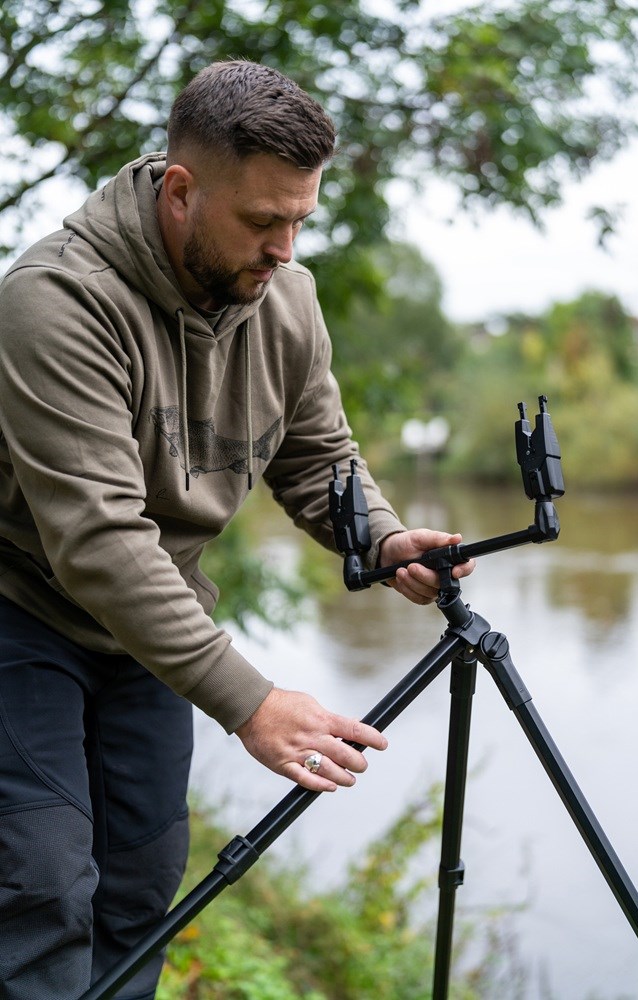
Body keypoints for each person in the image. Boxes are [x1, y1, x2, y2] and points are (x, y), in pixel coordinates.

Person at [0, 60, 473, 1000]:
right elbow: (100, 543)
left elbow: (319, 453)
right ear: (181, 192)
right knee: (40, 884)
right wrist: (251, 702)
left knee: (141, 893)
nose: (285, 249)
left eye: (300, 220)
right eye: (263, 221)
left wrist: (381, 541)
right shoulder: (53, 301)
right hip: (22, 613)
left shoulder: (285, 297)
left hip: (151, 634)